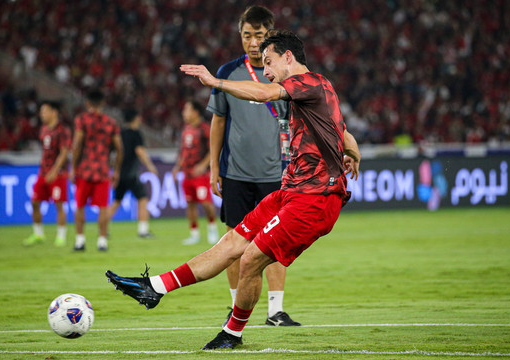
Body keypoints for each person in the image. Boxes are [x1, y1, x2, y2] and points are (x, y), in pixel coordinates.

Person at [106, 30, 361, 350]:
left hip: (316, 198)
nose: (266, 71)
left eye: (269, 63)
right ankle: (155, 287)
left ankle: (233, 333)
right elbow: (340, 128)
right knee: (230, 244)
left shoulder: (310, 83)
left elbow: (265, 94)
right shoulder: (309, 93)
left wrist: (217, 83)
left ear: (288, 57)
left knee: (251, 258)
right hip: (291, 191)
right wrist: (353, 153)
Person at [207, 5, 299, 327]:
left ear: (270, 35)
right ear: (240, 36)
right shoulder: (227, 72)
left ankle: (275, 311)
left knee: (276, 241)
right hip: (236, 173)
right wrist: (213, 167)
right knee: (233, 240)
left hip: (277, 173)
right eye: (247, 35)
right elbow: (218, 122)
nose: (251, 41)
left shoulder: (284, 74)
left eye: (259, 35)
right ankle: (235, 308)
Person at [71, 89, 123, 251]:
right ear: (102, 103)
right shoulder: (110, 122)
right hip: (102, 171)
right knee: (102, 207)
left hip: (84, 170)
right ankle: (102, 241)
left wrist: (73, 167)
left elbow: (77, 145)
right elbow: (120, 149)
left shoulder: (82, 120)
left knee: (79, 206)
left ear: (87, 103)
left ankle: (80, 241)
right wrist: (116, 171)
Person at [24, 101, 71, 247]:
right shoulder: (43, 129)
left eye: (44, 111)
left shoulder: (63, 130)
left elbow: (64, 153)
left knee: (59, 204)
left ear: (54, 112)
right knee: (35, 202)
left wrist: (54, 171)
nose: (41, 114)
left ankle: (61, 236)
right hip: (43, 172)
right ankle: (38, 234)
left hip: (58, 174)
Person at [172, 100, 220, 245]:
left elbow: (213, 149)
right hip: (187, 174)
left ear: (195, 112)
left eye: (186, 109)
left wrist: (203, 165)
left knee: (206, 203)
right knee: (190, 203)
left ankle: (212, 229)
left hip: (201, 174)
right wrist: (177, 167)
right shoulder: (186, 129)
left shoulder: (205, 128)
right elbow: (183, 152)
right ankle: (194, 233)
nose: (183, 113)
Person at [108, 109, 158, 238]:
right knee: (142, 199)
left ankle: (103, 229)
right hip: (131, 174)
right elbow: (140, 151)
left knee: (116, 202)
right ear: (135, 118)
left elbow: (112, 153)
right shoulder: (136, 134)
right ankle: (143, 230)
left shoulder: (119, 133)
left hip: (120, 173)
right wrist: (150, 166)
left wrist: (114, 170)